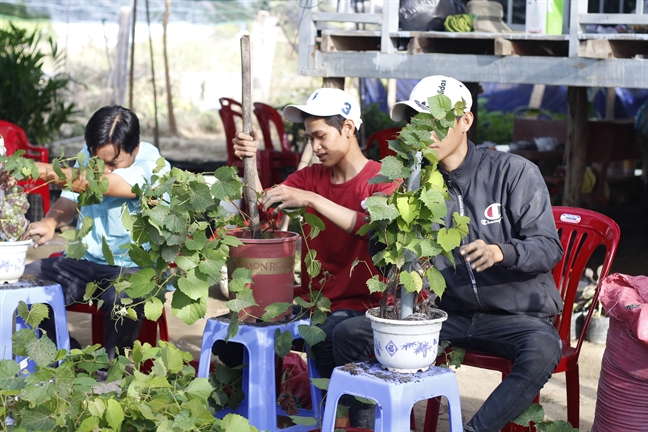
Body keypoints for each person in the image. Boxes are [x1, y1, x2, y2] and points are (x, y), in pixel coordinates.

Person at [339, 75, 565, 432]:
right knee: (349, 333)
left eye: (436, 120)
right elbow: (386, 256)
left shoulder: (514, 172)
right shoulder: (415, 184)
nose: (425, 131)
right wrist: (389, 223)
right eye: (417, 122)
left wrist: (500, 252)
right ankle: (374, 426)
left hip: (516, 315)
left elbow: (548, 247)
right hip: (447, 315)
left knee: (541, 349)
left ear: (465, 121)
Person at [214, 87, 397, 427]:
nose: (315, 147)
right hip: (312, 304)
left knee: (332, 336)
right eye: (310, 138)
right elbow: (263, 206)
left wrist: (311, 199)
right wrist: (249, 161)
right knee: (234, 339)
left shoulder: (382, 178)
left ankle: (348, 421)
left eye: (321, 136)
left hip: (362, 309)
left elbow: (370, 227)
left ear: (348, 128)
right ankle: (250, 416)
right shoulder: (309, 178)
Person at [23, 105, 170, 359]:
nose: (103, 170)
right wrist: (50, 221)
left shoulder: (153, 165)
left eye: (113, 163)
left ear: (135, 149)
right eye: (97, 161)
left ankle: (114, 373)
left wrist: (38, 169)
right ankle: (67, 354)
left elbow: (108, 185)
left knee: (123, 299)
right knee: (24, 282)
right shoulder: (89, 155)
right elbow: (70, 201)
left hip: (134, 269)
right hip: (85, 263)